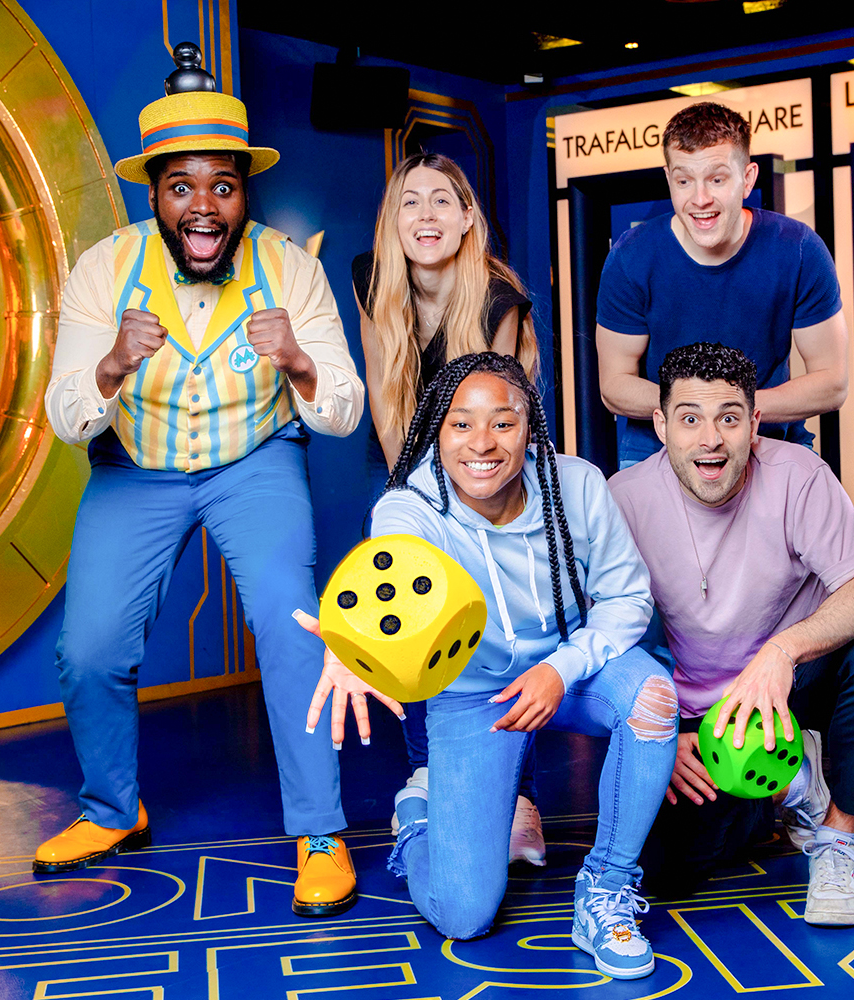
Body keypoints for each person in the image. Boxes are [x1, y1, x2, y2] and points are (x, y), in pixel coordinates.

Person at [38, 47, 366, 918]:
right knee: (90, 649)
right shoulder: (103, 269)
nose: (203, 206)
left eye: (222, 186)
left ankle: (320, 832)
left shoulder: (290, 267)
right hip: (134, 470)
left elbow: (344, 411)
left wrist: (298, 360)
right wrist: (111, 364)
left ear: (243, 193)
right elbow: (66, 417)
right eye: (181, 187)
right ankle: (113, 810)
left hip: (254, 460)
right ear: (154, 195)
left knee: (292, 627)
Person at [300, 352, 677, 980]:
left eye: (503, 423)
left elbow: (628, 597)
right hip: (475, 696)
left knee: (652, 696)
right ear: (437, 430)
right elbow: (382, 581)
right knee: (464, 915)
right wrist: (345, 645)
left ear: (529, 427)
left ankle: (606, 890)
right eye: (461, 424)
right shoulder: (408, 507)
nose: (482, 443)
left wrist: (562, 667)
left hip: (570, 675)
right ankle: (418, 819)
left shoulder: (577, 484)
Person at [609, 342, 854, 927]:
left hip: (793, 684)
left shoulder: (798, 475)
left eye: (728, 418)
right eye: (690, 419)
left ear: (754, 424)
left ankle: (837, 840)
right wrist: (659, 732)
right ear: (660, 426)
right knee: (665, 869)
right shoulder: (623, 498)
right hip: (701, 713)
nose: (710, 440)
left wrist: (783, 650)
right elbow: (604, 637)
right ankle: (790, 783)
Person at [353, 153, 545, 864]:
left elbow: (496, 415)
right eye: (411, 201)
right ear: (392, 219)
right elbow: (385, 395)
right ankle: (429, 777)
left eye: (442, 200)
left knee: (501, 625)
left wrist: (461, 508)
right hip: (405, 461)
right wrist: (414, 500)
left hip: (491, 461)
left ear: (468, 219)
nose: (426, 215)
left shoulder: (499, 298)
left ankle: (520, 798)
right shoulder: (372, 278)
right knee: (410, 619)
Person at [595, 100, 847, 469]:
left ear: (747, 178)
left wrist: (733, 411)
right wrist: (697, 413)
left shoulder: (798, 249)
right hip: (657, 448)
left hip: (768, 439)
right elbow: (614, 385)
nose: (700, 199)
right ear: (669, 178)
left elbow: (832, 382)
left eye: (717, 179)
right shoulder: (630, 257)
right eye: (684, 181)